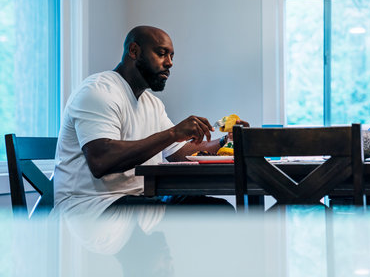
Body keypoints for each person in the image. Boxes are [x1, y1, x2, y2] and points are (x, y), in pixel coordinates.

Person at [53, 25, 248, 219]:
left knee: (219, 211)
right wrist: (173, 133)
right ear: (134, 51)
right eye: (162, 53)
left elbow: (179, 154)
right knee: (204, 218)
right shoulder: (98, 92)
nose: (170, 63)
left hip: (137, 199)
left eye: (172, 57)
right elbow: (101, 160)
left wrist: (227, 140)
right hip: (91, 207)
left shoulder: (153, 104)